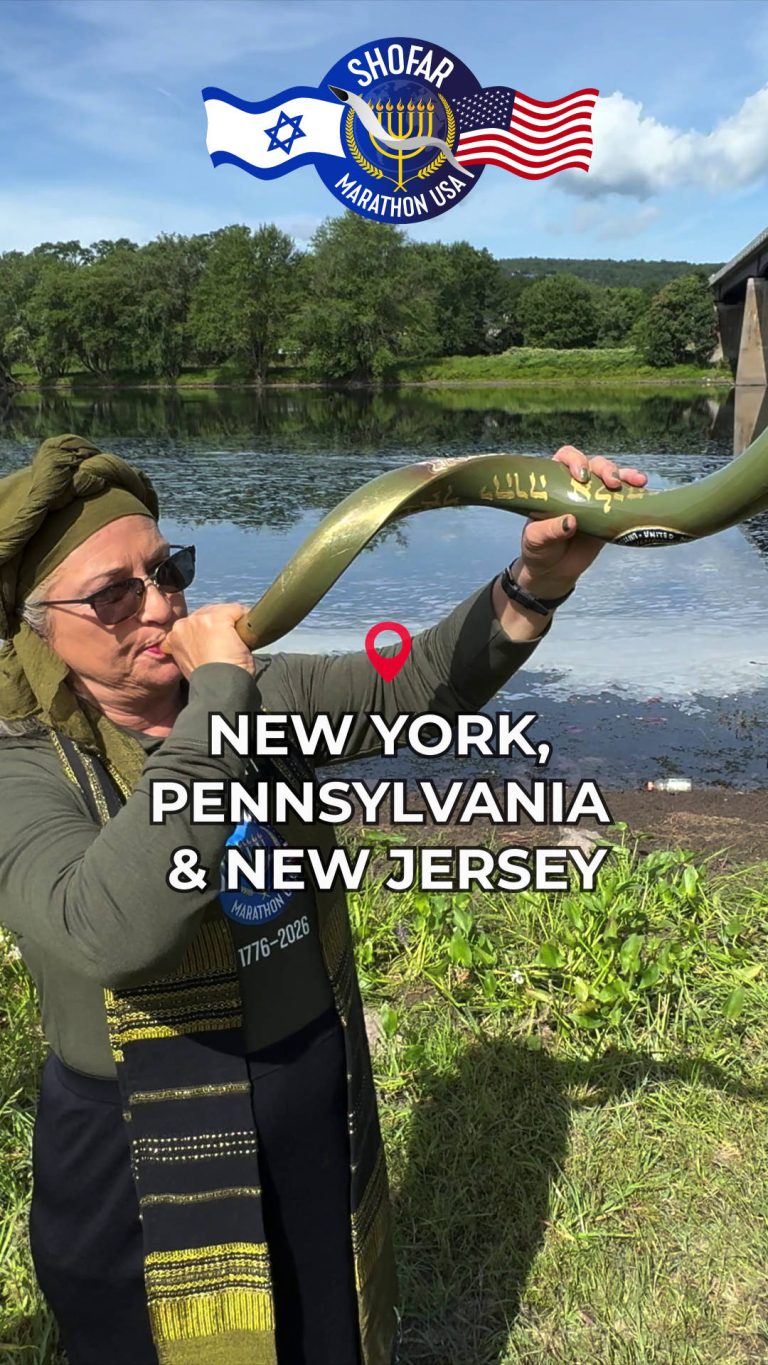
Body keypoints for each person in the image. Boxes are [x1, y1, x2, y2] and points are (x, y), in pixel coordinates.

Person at [0, 432, 647, 1365]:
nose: (163, 605)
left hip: (305, 1088)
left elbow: (418, 686)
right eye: (114, 594)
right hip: (138, 1142)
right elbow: (111, 930)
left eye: (167, 569)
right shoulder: (24, 763)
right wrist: (220, 694)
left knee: (323, 1332)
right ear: (37, 626)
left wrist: (535, 582)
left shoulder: (246, 692)